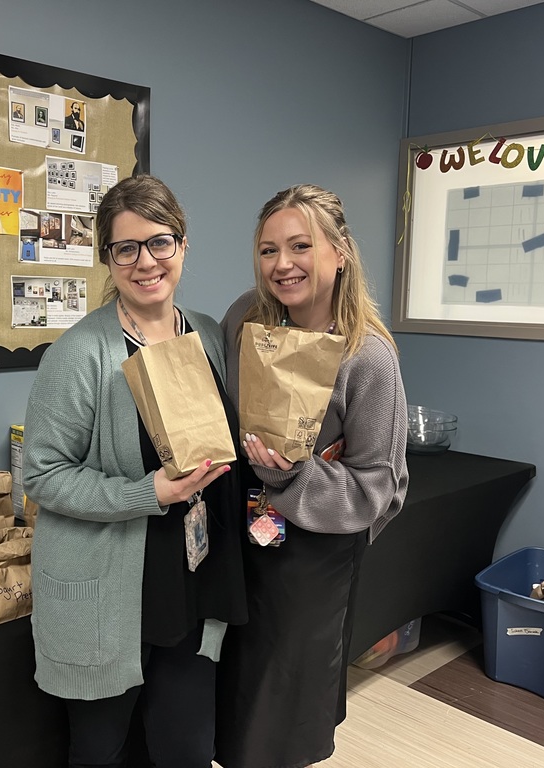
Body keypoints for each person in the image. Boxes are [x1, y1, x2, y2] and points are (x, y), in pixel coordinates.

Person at [22, 174, 247, 768]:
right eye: (127, 248)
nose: (146, 262)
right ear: (108, 258)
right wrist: (148, 492)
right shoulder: (79, 353)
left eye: (159, 242)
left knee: (187, 749)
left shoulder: (207, 335)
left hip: (191, 580)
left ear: (183, 246)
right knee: (102, 750)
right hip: (110, 593)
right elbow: (42, 475)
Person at [215, 183, 409, 768]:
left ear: (340, 251)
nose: (283, 264)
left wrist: (295, 480)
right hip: (239, 540)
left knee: (287, 704)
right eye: (268, 250)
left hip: (312, 559)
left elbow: (380, 487)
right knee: (234, 692)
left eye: (300, 246)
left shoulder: (367, 357)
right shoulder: (243, 321)